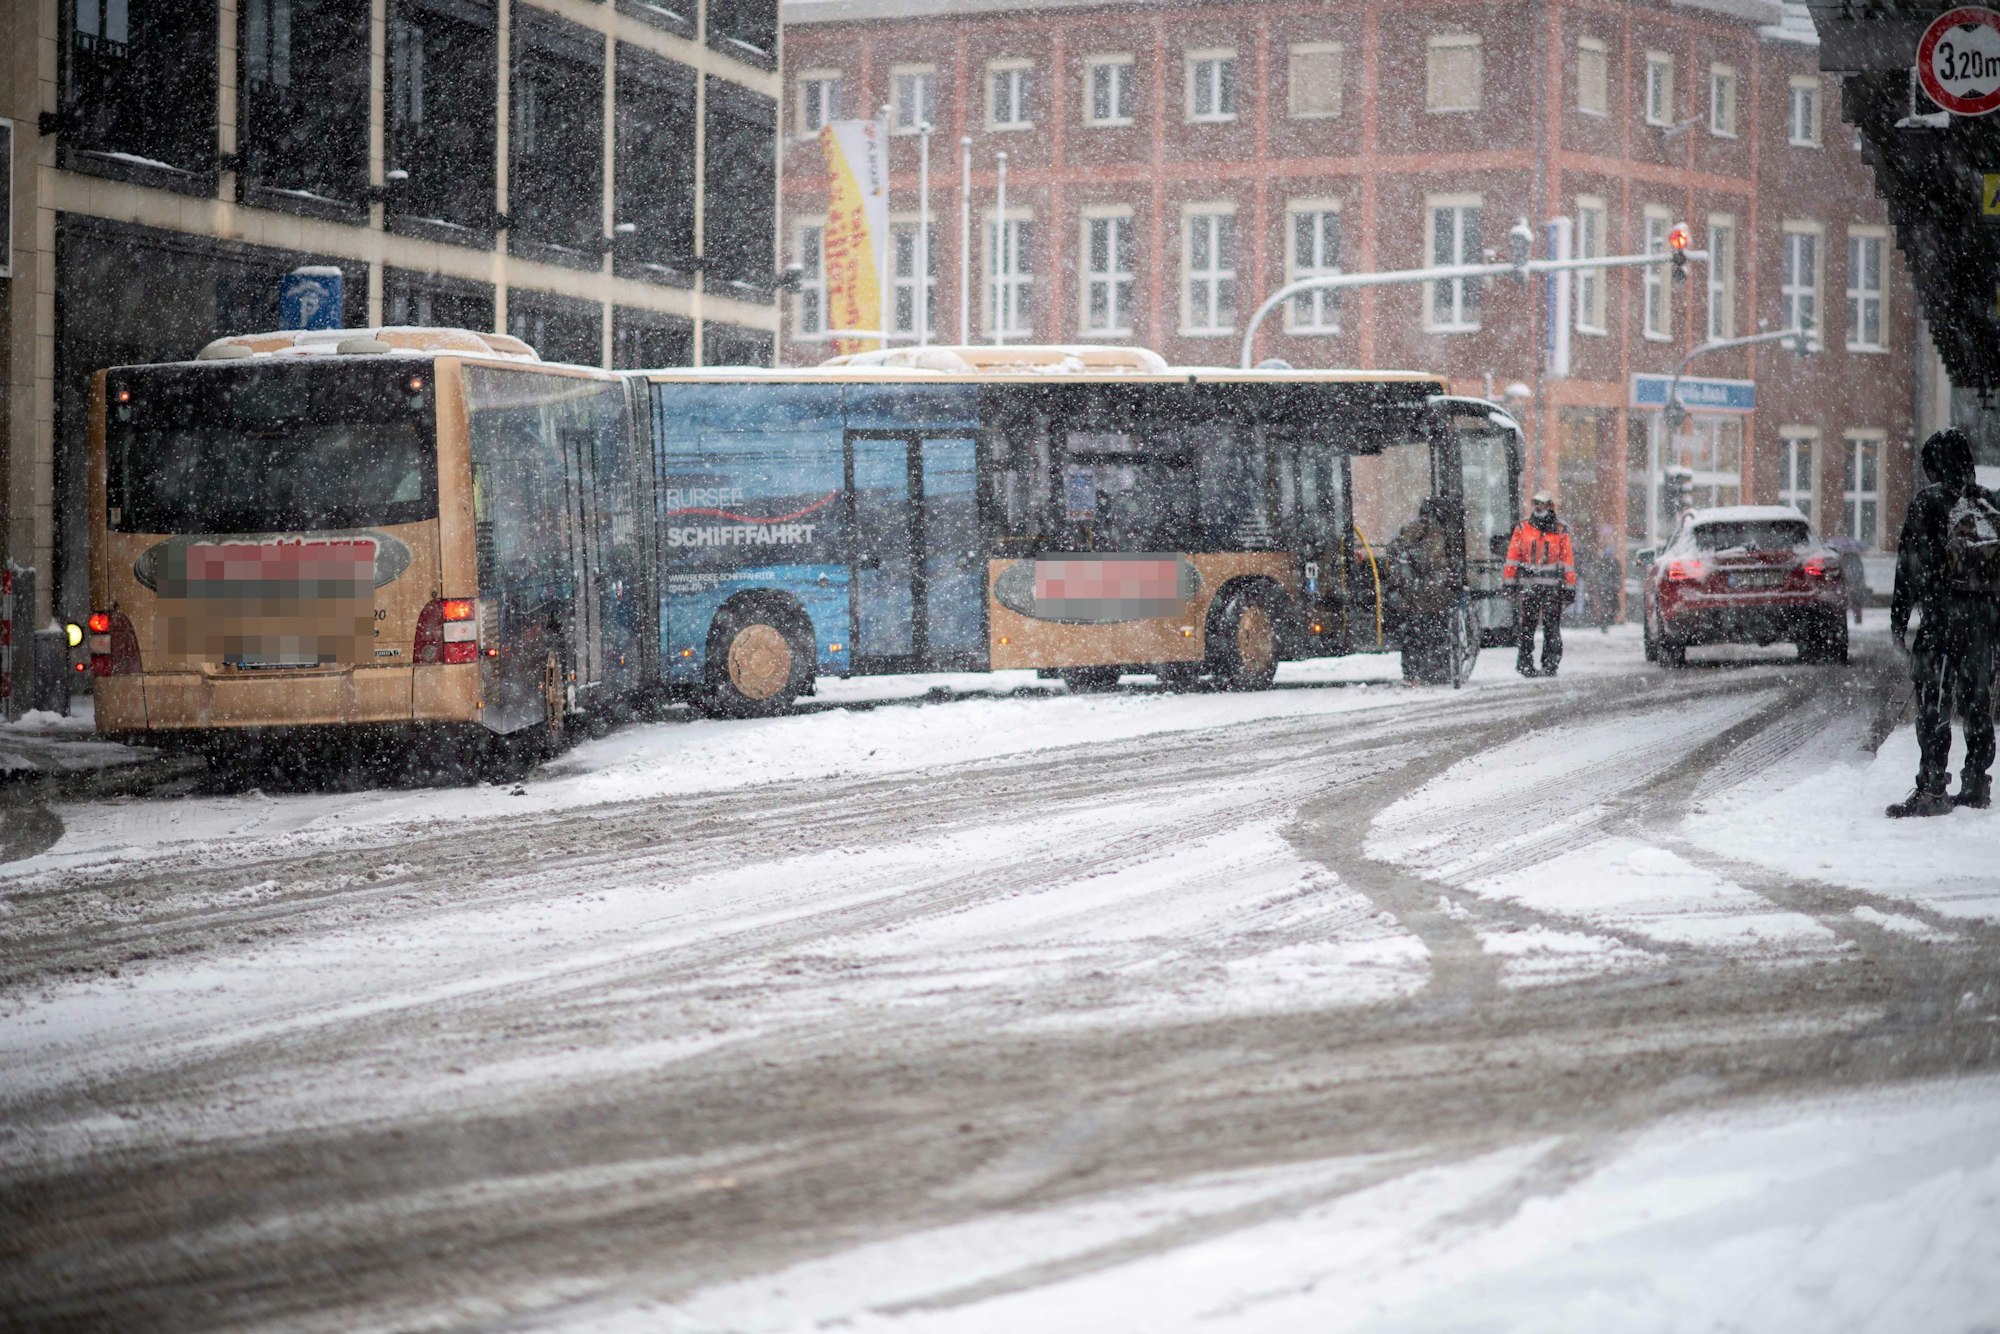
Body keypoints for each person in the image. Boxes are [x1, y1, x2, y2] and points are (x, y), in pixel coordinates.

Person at [1886, 428, 2000, 817]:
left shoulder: (1928, 502)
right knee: (1977, 702)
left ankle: (1933, 788)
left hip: (1941, 618)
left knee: (1934, 702)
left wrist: (1900, 619)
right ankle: (1976, 784)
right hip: (1984, 620)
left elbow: (1909, 567)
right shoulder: (1987, 501)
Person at [1504, 491, 1577, 677]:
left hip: (1553, 586)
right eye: (1535, 503)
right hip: (1530, 585)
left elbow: (1568, 561)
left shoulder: (1561, 530)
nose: (1538, 507)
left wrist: (1570, 587)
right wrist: (1509, 583)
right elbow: (1512, 557)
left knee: (1551, 626)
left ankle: (1550, 663)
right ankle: (1525, 663)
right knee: (1527, 626)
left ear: (1550, 506)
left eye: (1542, 503)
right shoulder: (1522, 528)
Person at [1387, 497, 1455, 683]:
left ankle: (1414, 671)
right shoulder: (1436, 532)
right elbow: (1436, 562)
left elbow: (1395, 549)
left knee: (1415, 635)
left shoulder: (1415, 529)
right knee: (1432, 632)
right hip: (1429, 595)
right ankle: (1434, 670)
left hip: (1415, 595)